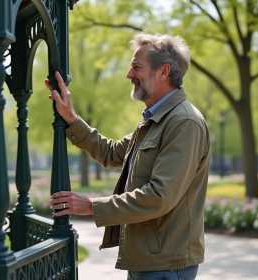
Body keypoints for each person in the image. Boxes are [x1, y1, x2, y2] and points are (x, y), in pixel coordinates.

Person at [46, 33, 210, 280]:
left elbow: (159, 196)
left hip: (166, 267)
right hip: (151, 263)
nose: (129, 75)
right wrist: (72, 118)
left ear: (164, 72)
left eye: (136, 67)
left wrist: (92, 206)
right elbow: (112, 153)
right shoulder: (155, 121)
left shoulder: (184, 122)